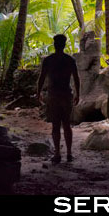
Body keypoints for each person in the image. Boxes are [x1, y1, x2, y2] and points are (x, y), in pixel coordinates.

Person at [36, 34, 80, 163]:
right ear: (64, 45)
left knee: (56, 125)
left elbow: (42, 78)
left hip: (54, 95)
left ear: (54, 44)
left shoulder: (49, 60)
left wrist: (38, 93)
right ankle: (69, 154)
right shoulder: (70, 60)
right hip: (66, 94)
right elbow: (76, 78)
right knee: (67, 124)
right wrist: (78, 94)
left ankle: (57, 154)